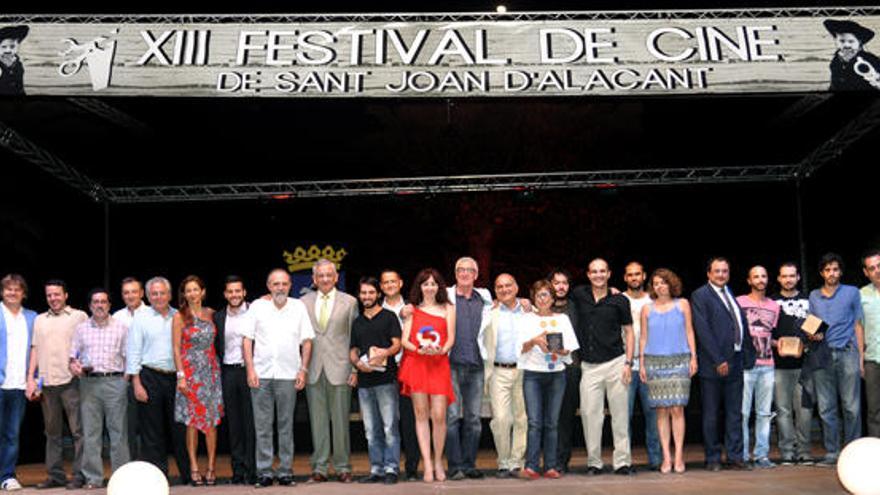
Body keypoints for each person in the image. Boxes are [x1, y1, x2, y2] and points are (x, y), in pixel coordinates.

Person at [243, 269, 314, 488]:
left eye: (284, 283)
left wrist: (303, 370)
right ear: (268, 286)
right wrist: (250, 370)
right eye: (276, 284)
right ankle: (264, 472)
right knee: (262, 426)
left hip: (288, 374)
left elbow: (307, 341)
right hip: (261, 375)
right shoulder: (257, 307)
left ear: (290, 285)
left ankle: (285, 472)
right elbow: (247, 340)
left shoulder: (298, 307)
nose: (280, 287)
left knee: (286, 426)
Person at [571, 258, 636, 476]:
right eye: (594, 272)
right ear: (588, 275)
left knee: (620, 415)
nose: (598, 275)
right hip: (589, 367)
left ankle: (622, 462)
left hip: (616, 363)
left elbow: (629, 332)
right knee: (590, 415)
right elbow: (553, 297)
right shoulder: (579, 295)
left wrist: (628, 362)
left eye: (602, 271)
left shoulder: (620, 300)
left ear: (609, 274)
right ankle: (594, 462)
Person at [691, 257, 756, 471]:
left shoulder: (730, 293)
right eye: (717, 271)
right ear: (709, 274)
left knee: (734, 413)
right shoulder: (700, 295)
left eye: (725, 271)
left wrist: (748, 354)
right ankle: (712, 458)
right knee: (711, 414)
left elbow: (740, 326)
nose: (721, 275)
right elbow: (703, 330)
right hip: (714, 364)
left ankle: (735, 456)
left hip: (736, 361)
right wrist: (718, 359)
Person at [125, 277, 190, 485]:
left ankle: (188, 474)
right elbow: (133, 351)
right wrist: (136, 383)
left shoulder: (179, 316)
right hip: (150, 376)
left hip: (176, 378)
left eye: (162, 293)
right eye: (154, 294)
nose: (158, 297)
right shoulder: (141, 318)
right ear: (148, 296)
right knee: (152, 431)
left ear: (170, 295)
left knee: (180, 428)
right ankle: (158, 478)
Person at [301, 259, 358, 483]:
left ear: (336, 277)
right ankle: (320, 468)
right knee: (317, 421)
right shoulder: (302, 302)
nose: (325, 279)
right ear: (314, 279)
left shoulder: (350, 302)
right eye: (320, 276)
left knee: (341, 420)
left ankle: (343, 467)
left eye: (329, 275)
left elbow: (355, 337)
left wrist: (354, 368)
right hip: (313, 368)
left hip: (341, 367)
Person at [27, 279, 88, 489]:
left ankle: (80, 474)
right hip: (47, 384)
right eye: (49, 295)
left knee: (78, 431)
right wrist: (30, 379)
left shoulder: (79, 316)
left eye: (57, 294)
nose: (53, 298)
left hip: (71, 382)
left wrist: (83, 365)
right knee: (52, 433)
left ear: (66, 295)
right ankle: (55, 476)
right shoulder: (39, 320)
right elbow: (35, 349)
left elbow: (88, 344)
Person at [398, 268, 456, 483]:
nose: (429, 287)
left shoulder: (448, 308)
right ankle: (428, 465)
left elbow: (450, 338)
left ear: (439, 286)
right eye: (425, 284)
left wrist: (440, 350)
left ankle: (439, 460)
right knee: (421, 414)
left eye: (433, 283)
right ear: (419, 287)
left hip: (439, 363)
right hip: (417, 363)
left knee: (439, 415)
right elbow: (405, 340)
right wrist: (419, 349)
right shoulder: (412, 309)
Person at [517, 280, 579, 480]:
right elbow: (520, 348)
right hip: (532, 374)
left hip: (557, 374)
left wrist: (558, 349)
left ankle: (551, 465)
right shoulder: (526, 319)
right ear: (534, 297)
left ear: (553, 298)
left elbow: (568, 348)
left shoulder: (562, 319)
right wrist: (534, 341)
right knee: (535, 422)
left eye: (546, 295)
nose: (543, 299)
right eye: (539, 295)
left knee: (552, 422)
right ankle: (532, 466)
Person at [69, 288, 130, 489]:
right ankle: (93, 478)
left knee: (118, 433)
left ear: (110, 305)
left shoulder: (121, 328)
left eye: (104, 301)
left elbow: (129, 357)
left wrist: (125, 382)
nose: (100, 305)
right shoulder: (81, 329)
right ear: (90, 305)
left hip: (114, 382)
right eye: (95, 302)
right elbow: (72, 358)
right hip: (88, 384)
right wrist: (75, 366)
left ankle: (121, 477)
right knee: (91, 433)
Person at [639, 268, 697, 474]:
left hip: (679, 360)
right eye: (655, 283)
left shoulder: (682, 304)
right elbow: (643, 337)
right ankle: (666, 457)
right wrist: (643, 364)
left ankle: (679, 456)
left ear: (671, 284)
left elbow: (690, 331)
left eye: (663, 282)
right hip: (654, 362)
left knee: (677, 409)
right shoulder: (646, 309)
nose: (659, 286)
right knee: (661, 410)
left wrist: (693, 358)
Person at [809, 253, 864, 466]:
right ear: (822, 273)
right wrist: (813, 335)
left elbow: (858, 324)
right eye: (827, 270)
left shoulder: (851, 292)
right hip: (822, 354)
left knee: (851, 405)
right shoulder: (814, 295)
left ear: (840, 271)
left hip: (847, 351)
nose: (832, 273)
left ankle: (853, 452)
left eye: (835, 269)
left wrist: (860, 357)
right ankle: (832, 452)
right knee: (826, 406)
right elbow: (813, 323)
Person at [350, 277, 402, 485]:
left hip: (386, 380)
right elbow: (353, 350)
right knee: (371, 430)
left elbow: (397, 344)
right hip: (364, 382)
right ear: (359, 296)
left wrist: (384, 353)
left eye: (371, 292)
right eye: (363, 293)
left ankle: (391, 468)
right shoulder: (357, 322)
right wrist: (356, 363)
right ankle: (376, 469)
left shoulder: (389, 317)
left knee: (390, 427)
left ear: (378, 294)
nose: (367, 296)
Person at [172, 276, 223, 486]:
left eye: (196, 289)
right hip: (190, 374)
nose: (192, 293)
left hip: (211, 373)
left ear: (202, 292)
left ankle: (211, 467)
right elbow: (176, 348)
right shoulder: (179, 317)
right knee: (192, 422)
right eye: (188, 290)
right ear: (184, 294)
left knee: (210, 422)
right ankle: (194, 466)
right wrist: (181, 376)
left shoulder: (212, 314)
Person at [445, 256, 492, 481]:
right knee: (452, 417)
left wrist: (525, 302)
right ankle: (454, 466)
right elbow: (421, 305)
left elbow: (505, 304)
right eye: (460, 270)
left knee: (473, 419)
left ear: (476, 274)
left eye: (469, 270)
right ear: (455, 274)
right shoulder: (445, 297)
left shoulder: (484, 298)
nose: (464, 273)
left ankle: (469, 464)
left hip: (476, 366)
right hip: (450, 365)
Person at [213, 275, 255, 485]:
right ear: (225, 294)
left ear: (244, 292)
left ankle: (253, 469)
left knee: (251, 422)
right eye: (230, 291)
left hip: (250, 372)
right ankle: (238, 470)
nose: (234, 295)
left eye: (238, 291)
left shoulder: (255, 312)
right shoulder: (219, 317)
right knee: (234, 425)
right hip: (228, 373)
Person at [483, 274, 527, 478]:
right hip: (498, 371)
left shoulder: (530, 311)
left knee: (522, 418)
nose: (504, 289)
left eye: (508, 285)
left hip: (525, 370)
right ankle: (503, 461)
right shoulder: (489, 312)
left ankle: (517, 461)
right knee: (501, 418)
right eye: (499, 286)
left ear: (516, 287)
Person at [770, 262, 814, 465]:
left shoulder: (808, 301)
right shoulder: (771, 302)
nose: (788, 279)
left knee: (804, 410)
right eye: (784, 276)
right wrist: (775, 343)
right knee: (783, 410)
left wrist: (805, 344)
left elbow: (816, 330)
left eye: (792, 276)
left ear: (798, 277)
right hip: (779, 366)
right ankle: (787, 451)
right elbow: (764, 333)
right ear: (778, 278)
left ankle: (804, 451)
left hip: (805, 366)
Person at [736, 266, 780, 469]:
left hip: (768, 365)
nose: (760, 279)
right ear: (749, 280)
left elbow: (768, 334)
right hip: (745, 365)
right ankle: (743, 455)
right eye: (756, 276)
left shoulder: (774, 306)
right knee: (743, 413)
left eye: (763, 276)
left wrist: (779, 344)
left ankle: (761, 455)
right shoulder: (739, 302)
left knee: (764, 413)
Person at [621, 262, 661, 471]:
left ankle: (656, 459)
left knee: (653, 416)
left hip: (650, 365)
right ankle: (624, 460)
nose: (634, 277)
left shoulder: (653, 300)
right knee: (623, 416)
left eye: (638, 274)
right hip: (625, 365)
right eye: (630, 275)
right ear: (625, 278)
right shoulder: (618, 300)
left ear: (644, 276)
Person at [380, 269, 419, 481]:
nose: (390, 285)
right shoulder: (375, 310)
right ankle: (389, 467)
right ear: (381, 286)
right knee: (388, 422)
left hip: (410, 368)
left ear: (401, 283)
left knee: (410, 420)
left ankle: (412, 467)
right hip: (385, 371)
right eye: (385, 282)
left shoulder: (413, 308)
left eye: (393, 281)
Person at [0, 274, 37, 492]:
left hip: (20, 385)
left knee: (12, 434)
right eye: (8, 289)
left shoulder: (32, 317)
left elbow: (37, 349)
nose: (12, 293)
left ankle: (7, 475)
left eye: (17, 289)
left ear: (23, 293)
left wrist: (35, 382)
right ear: (2, 292)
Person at [112, 277, 149, 461]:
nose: (130, 295)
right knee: (128, 426)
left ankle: (152, 466)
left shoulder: (152, 313)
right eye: (126, 292)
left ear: (142, 293)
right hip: (125, 378)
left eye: (134, 291)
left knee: (151, 426)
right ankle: (132, 465)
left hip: (150, 375)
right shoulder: (117, 317)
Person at [548, 269, 579, 473]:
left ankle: (561, 460)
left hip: (570, 368)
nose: (560, 287)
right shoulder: (539, 307)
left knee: (566, 417)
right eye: (556, 283)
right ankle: (548, 459)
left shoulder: (577, 307)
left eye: (564, 283)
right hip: (545, 369)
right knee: (548, 417)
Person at [824, 19, 880, 91]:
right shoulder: (836, 59)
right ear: (836, 41)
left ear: (859, 43)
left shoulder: (871, 60)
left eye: (851, 41)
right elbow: (834, 82)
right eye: (842, 41)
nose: (846, 45)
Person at [861, 249, 880, 438]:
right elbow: (858, 329)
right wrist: (860, 359)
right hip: (872, 360)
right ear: (866, 272)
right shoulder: (861, 295)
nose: (877, 271)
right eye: (872, 268)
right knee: (874, 410)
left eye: (879, 266)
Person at [0, 25, 27, 96]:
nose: (8, 50)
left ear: (18, 46)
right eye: (4, 47)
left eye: (12, 46)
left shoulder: (17, 63)